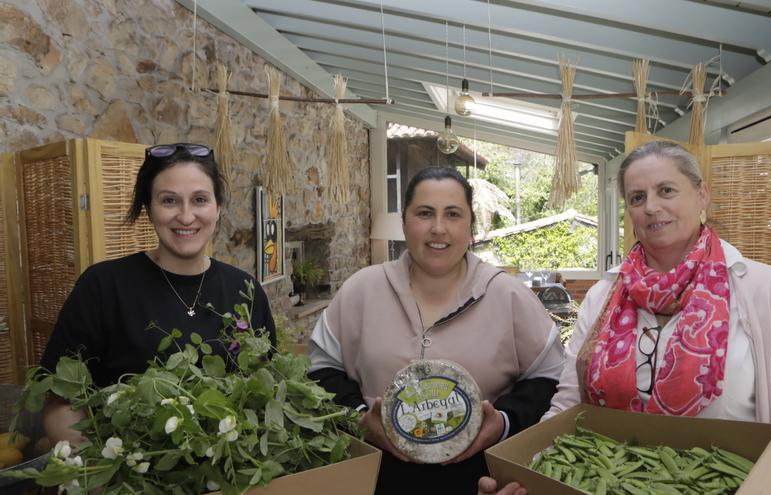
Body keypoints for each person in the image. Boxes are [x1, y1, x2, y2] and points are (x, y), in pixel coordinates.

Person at [479, 141, 771, 495]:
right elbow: (567, 410)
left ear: (702, 196)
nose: (652, 207)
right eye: (637, 198)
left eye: (666, 190)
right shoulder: (603, 296)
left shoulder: (764, 290)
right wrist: (530, 471)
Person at [308, 166, 565, 495]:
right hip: (376, 480)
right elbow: (322, 369)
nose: (438, 229)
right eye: (425, 213)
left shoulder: (509, 296)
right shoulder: (362, 289)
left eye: (453, 214)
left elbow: (551, 380)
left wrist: (503, 421)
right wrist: (360, 419)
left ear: (470, 225)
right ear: (404, 222)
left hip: (482, 482)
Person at [41, 143, 276, 444]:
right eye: (169, 201)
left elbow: (266, 391)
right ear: (148, 209)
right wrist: (99, 474)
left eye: (200, 199)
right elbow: (59, 402)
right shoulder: (103, 286)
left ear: (217, 208)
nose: (186, 216)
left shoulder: (246, 291)